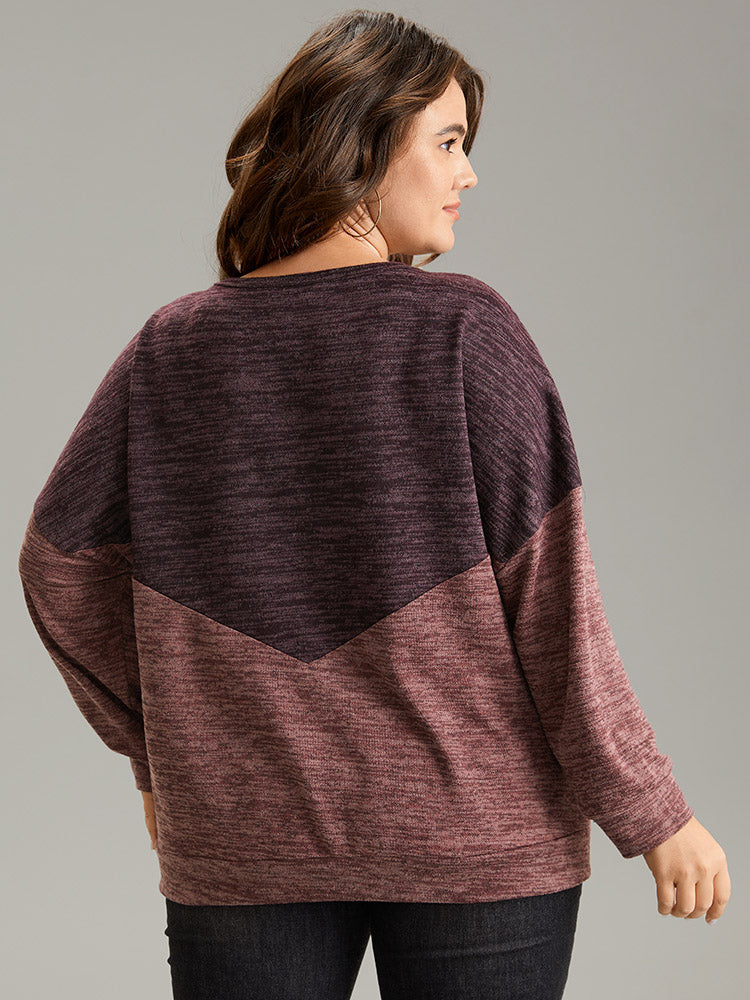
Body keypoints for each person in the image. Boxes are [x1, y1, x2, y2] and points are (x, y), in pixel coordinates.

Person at [17, 9, 730, 1000]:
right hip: (477, 839)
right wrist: (655, 814)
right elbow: (555, 609)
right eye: (447, 142)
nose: (467, 174)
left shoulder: (170, 349)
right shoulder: (465, 331)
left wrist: (163, 757)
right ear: (360, 144)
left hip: (243, 833)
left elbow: (56, 570)